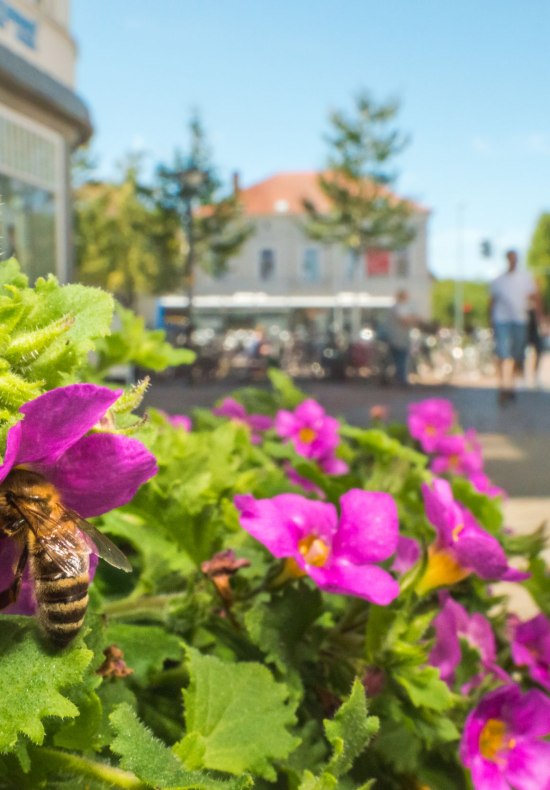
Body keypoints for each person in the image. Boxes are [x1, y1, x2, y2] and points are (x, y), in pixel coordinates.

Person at [489, 249, 540, 404]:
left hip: (520, 320)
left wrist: (540, 318)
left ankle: (509, 384)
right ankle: (504, 387)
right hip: (502, 320)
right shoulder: (498, 280)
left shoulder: (525, 278)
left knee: (516, 355)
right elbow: (492, 302)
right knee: (504, 354)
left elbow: (536, 298)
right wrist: (490, 321)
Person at [385, 289, 417, 386]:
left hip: (395, 337)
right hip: (399, 338)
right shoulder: (400, 307)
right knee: (401, 359)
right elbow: (404, 321)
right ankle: (401, 380)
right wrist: (414, 319)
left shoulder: (395, 307)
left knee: (397, 359)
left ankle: (398, 378)